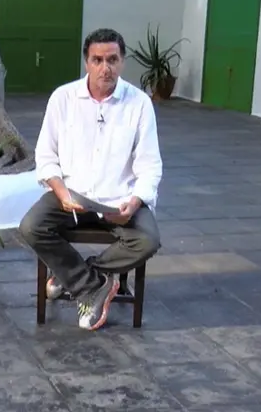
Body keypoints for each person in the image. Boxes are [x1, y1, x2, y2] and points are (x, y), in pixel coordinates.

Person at [19, 28, 162, 331]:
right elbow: (45, 157)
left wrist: (134, 202)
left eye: (112, 59)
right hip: (71, 196)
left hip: (118, 199)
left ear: (122, 62)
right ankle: (91, 286)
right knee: (32, 226)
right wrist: (60, 192)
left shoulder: (138, 104)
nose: (105, 67)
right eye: (97, 60)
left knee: (148, 240)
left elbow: (150, 165)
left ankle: (78, 274)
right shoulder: (63, 98)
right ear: (86, 62)